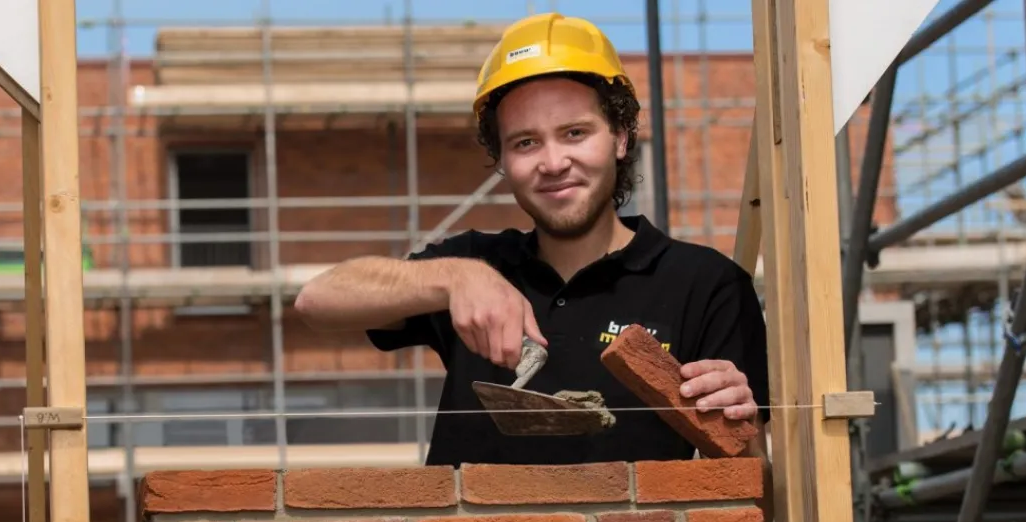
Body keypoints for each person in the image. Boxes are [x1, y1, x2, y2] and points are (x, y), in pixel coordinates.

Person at [293, 12, 770, 467]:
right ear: (502, 159)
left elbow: (758, 501)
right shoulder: (478, 261)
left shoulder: (704, 284)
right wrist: (455, 278)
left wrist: (737, 431)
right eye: (526, 142)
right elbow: (317, 301)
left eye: (575, 132)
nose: (553, 162)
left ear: (621, 138)